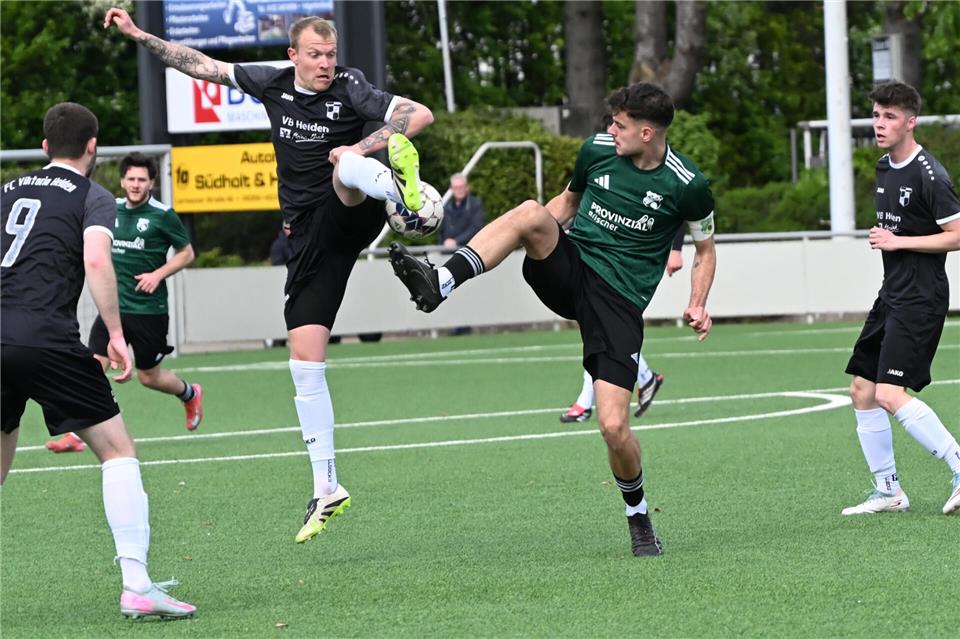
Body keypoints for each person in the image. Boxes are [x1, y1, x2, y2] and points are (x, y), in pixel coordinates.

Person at [105, 7, 434, 543]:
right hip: (306, 240)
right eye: (315, 54)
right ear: (293, 56)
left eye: (330, 54)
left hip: (347, 207)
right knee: (304, 360)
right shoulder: (271, 82)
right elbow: (200, 65)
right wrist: (139, 34)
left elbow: (418, 115)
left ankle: (401, 195)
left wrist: (363, 143)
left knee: (343, 168)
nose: (326, 63)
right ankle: (327, 486)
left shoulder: (351, 87)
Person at [389, 83, 717, 556]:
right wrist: (530, 232)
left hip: (619, 302)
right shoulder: (597, 152)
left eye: (620, 125)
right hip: (571, 269)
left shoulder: (687, 184)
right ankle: (440, 283)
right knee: (528, 212)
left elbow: (705, 251)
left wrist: (699, 302)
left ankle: (638, 515)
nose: (610, 130)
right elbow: (565, 204)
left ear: (647, 133)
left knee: (613, 427)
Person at [1, 102, 196, 619]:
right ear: (93, 148)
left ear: (44, 147)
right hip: (46, 335)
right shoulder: (95, 195)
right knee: (118, 451)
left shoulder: (7, 190)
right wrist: (115, 332)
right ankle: (136, 584)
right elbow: (94, 259)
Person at [841, 81, 960, 517]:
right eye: (876, 115)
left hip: (921, 298)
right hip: (892, 294)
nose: (879, 124)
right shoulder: (883, 167)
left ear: (911, 122)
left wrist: (899, 241)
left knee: (890, 392)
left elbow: (957, 235)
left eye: (889, 116)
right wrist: (893, 242)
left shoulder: (930, 174)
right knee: (862, 389)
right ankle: (889, 491)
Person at [46, 153, 201, 454]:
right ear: (122, 180)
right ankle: (78, 435)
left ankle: (190, 393)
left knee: (149, 377)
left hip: (148, 311)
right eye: (131, 178)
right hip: (112, 310)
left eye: (142, 179)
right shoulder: (109, 209)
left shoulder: (162, 214)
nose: (135, 184)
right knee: (91, 368)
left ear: (152, 183)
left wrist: (158, 274)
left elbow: (187, 252)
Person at [560, 227, 684, 423]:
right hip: (602, 256)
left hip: (628, 260)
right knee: (602, 328)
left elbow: (680, 201)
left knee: (603, 327)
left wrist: (676, 249)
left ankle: (585, 403)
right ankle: (645, 378)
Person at [441, 173, 485, 248]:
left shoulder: (475, 205)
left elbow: (476, 227)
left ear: (467, 187)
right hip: (446, 251)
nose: (459, 190)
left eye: (461, 187)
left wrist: (456, 241)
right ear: (451, 189)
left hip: (468, 250)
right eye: (456, 187)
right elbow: (441, 231)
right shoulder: (446, 206)